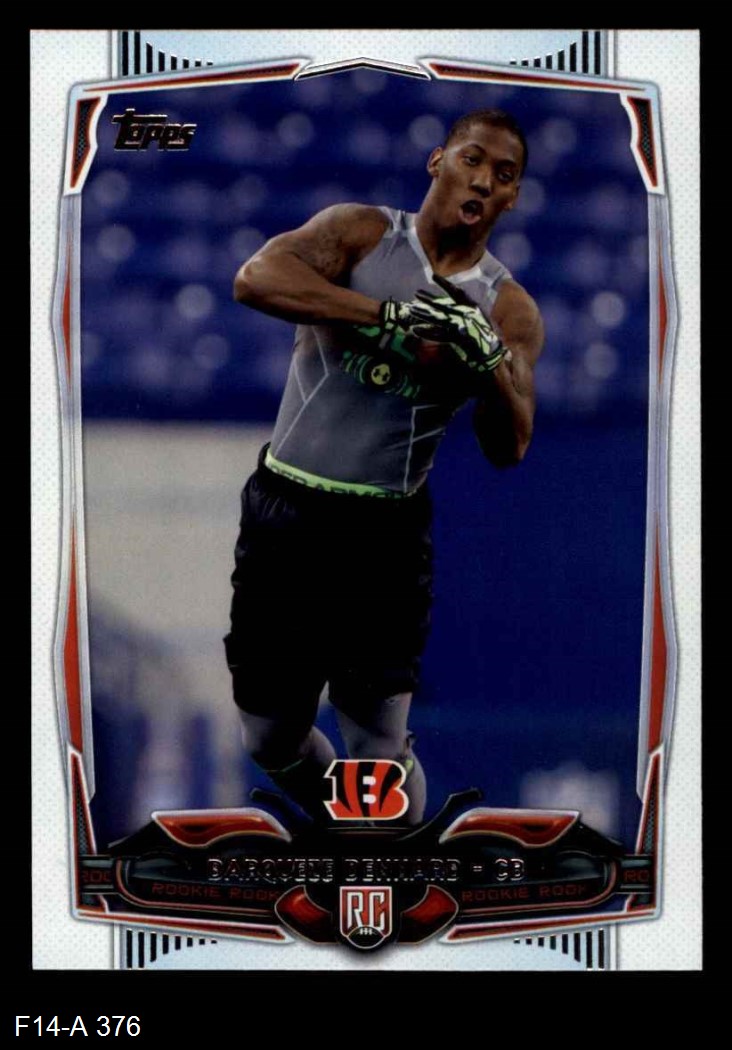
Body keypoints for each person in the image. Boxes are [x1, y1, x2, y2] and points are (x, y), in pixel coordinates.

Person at [224, 109, 544, 825]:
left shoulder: (509, 309)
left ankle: (387, 848)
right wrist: (387, 317)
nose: (483, 181)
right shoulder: (363, 232)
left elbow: (509, 446)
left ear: (513, 197)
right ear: (438, 162)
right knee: (269, 736)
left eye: (503, 174)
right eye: (472, 159)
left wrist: (489, 361)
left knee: (376, 743)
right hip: (287, 512)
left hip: (384, 534)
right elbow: (255, 278)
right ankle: (344, 827)